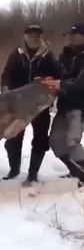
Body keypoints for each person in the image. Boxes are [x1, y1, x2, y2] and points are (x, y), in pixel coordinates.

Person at [1, 25, 58, 184]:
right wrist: (5, 86)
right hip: (18, 105)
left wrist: (45, 83)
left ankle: (33, 174)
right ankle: (14, 169)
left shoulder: (48, 55)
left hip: (39, 105)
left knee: (40, 139)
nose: (34, 37)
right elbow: (6, 74)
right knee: (13, 137)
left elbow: (57, 79)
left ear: (41, 36)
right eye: (30, 34)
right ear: (25, 36)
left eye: (37, 34)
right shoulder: (16, 54)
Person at [45, 23, 84, 184]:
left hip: (80, 106)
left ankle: (82, 175)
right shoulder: (64, 56)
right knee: (55, 140)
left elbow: (80, 83)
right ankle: (76, 171)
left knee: (72, 142)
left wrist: (59, 84)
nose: (72, 38)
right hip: (63, 105)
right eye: (70, 35)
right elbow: (56, 74)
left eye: (76, 35)